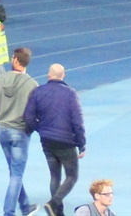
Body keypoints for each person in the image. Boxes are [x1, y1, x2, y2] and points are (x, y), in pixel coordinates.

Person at [24, 62, 86, 216]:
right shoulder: (71, 94)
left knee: (54, 175)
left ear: (49, 75)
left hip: (47, 141)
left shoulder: (38, 92)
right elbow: (77, 122)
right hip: (66, 142)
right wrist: (81, 144)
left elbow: (28, 117)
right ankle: (54, 203)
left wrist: (41, 129)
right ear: (63, 75)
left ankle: (58, 212)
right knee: (72, 175)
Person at [0, 46, 39, 216]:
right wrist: (29, 129)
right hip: (20, 131)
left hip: (2, 129)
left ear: (16, 60)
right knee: (16, 174)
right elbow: (34, 112)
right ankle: (9, 212)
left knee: (14, 172)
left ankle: (24, 206)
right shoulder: (32, 84)